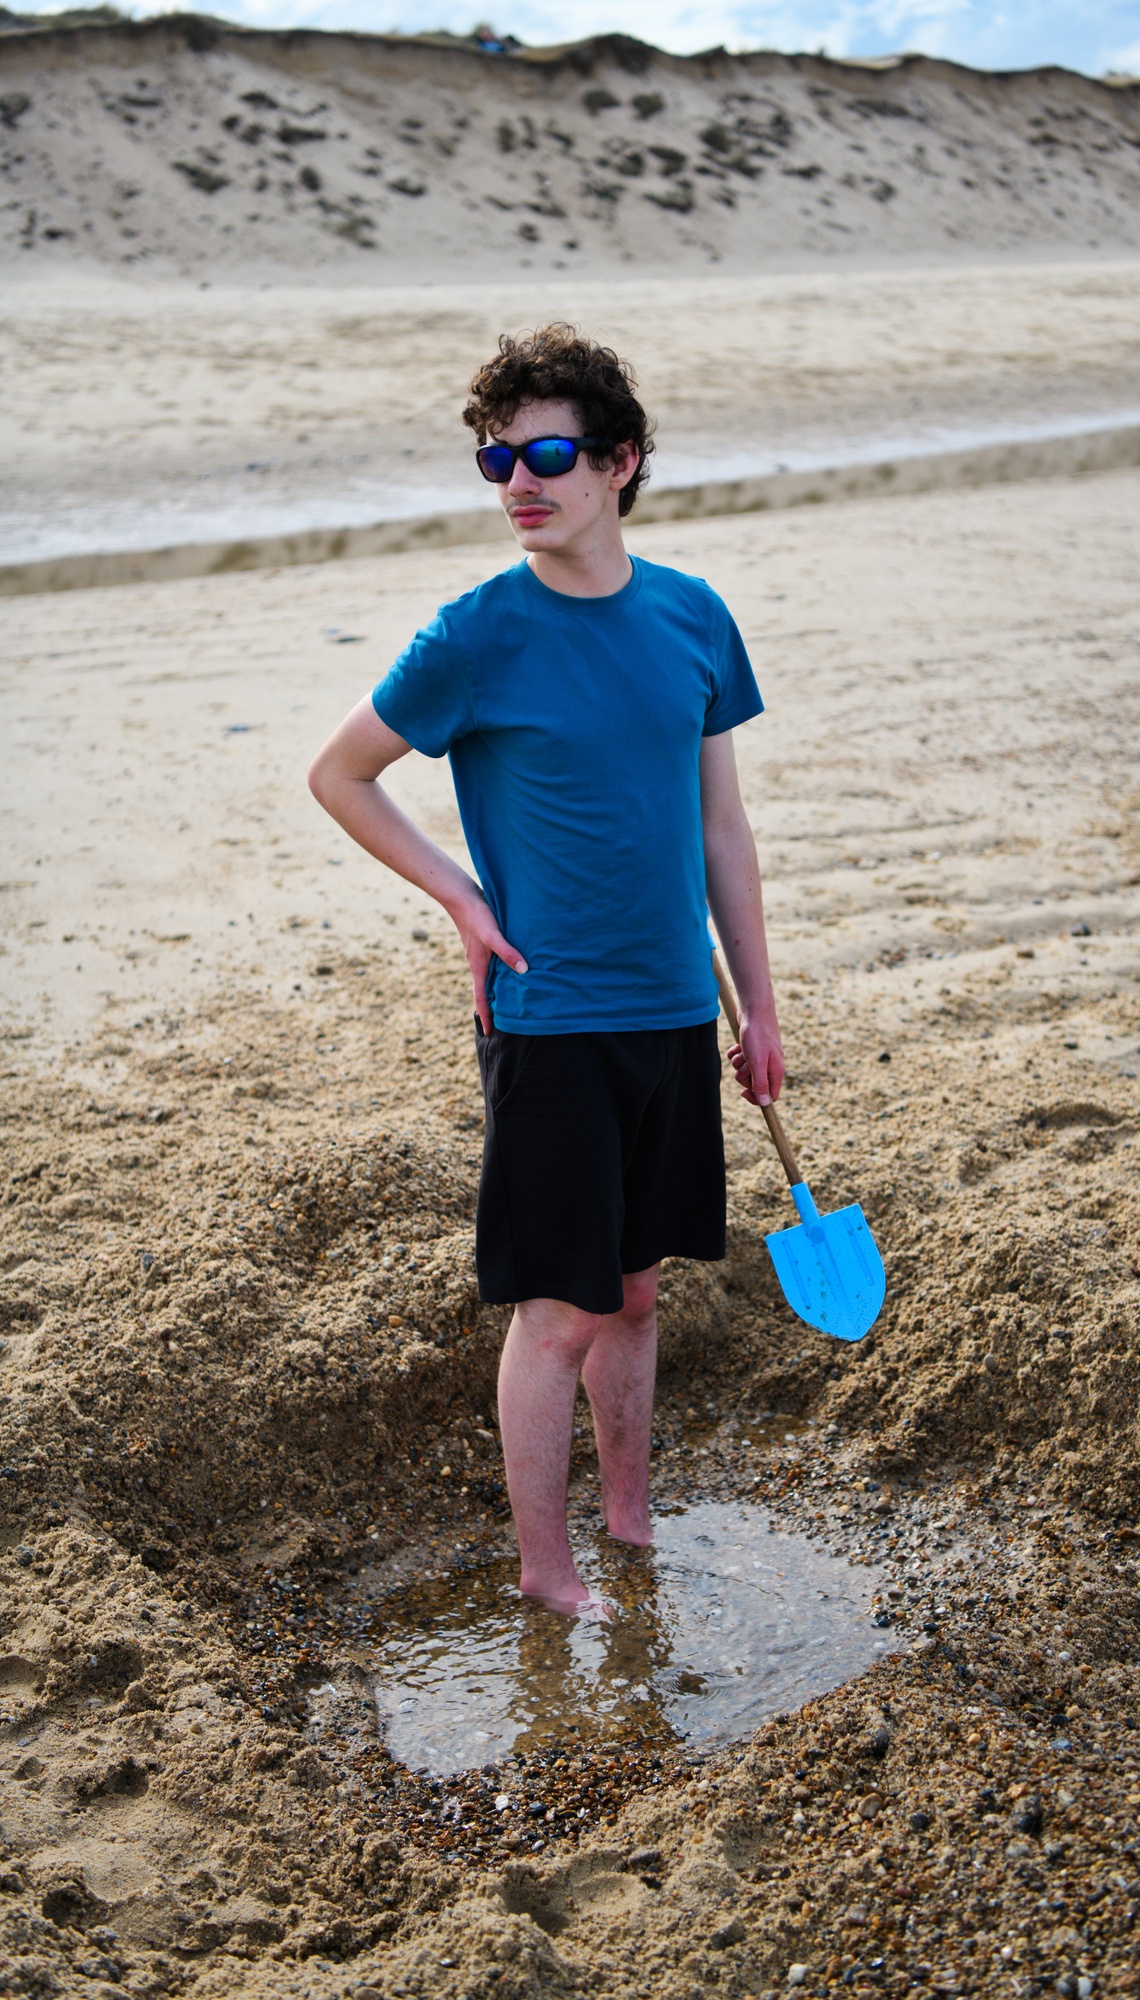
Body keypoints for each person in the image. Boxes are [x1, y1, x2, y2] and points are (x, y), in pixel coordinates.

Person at [308, 325, 783, 1615]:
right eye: (498, 460)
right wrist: (461, 898)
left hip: (675, 1012)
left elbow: (720, 828)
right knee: (558, 1313)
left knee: (634, 1296)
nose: (520, 482)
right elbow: (340, 775)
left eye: (550, 456)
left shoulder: (693, 615)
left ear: (619, 463)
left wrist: (759, 1005)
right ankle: (547, 1574)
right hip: (551, 1018)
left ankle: (629, 1523)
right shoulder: (474, 637)